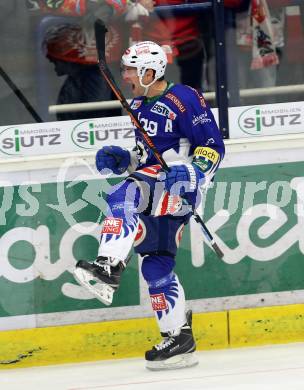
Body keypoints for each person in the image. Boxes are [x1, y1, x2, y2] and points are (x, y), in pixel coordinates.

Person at [73, 41, 225, 370]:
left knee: (121, 198)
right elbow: (148, 156)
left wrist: (193, 172)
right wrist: (125, 159)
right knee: (155, 265)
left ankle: (109, 266)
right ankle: (178, 338)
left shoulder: (185, 98)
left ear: (148, 71)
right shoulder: (139, 104)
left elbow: (212, 146)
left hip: (179, 186)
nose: (124, 75)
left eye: (129, 69)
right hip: (157, 185)